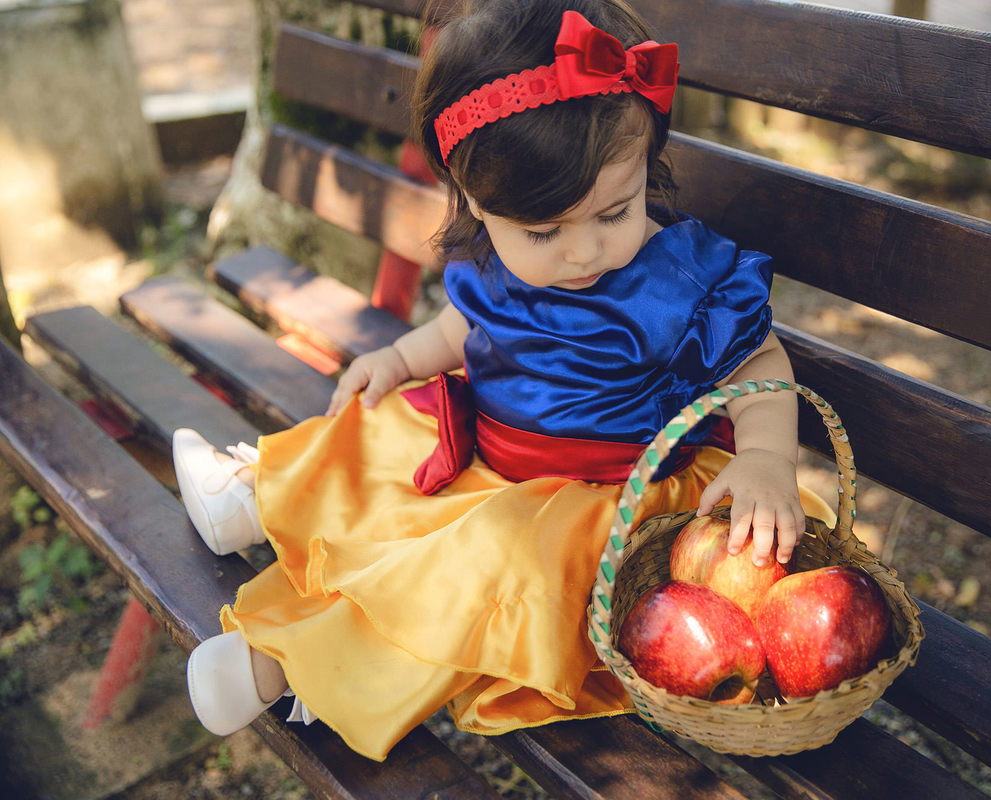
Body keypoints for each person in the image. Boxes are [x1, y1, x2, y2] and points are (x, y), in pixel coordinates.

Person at [175, 0, 832, 762]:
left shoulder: (679, 280)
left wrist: (766, 459)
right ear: (474, 202)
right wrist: (401, 359)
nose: (583, 252)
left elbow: (759, 362)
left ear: (646, 163)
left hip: (602, 504)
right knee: (377, 423)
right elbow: (461, 331)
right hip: (489, 460)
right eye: (544, 231)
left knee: (472, 572)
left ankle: (288, 665)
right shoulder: (496, 254)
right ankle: (252, 498)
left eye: (615, 212)